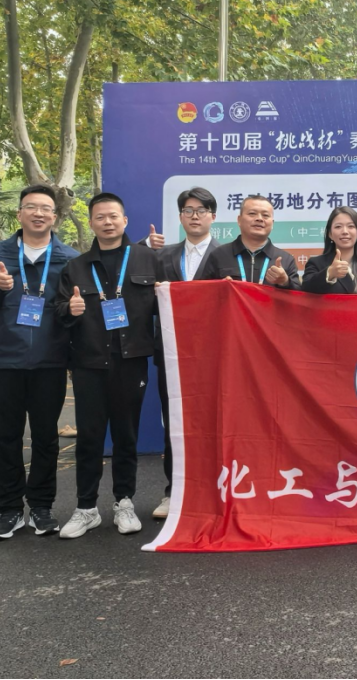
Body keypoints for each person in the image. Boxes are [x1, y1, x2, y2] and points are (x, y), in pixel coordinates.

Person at [0, 184, 79, 541]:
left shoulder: (69, 258)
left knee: (46, 438)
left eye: (45, 208)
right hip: (4, 361)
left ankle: (42, 507)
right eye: (31, 207)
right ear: (19, 214)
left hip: (50, 361)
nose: (38, 213)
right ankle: (9, 510)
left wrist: (73, 310)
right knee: (7, 437)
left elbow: (68, 312)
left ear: (55, 217)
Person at [54, 193, 159, 539]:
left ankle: (124, 503)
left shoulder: (148, 259)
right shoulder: (76, 267)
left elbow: (169, 304)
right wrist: (69, 310)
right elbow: (58, 311)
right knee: (90, 437)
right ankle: (86, 508)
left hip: (131, 361)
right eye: (100, 217)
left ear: (124, 221)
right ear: (91, 223)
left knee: (126, 435)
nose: (108, 222)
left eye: (113, 216)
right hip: (89, 363)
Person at [141, 187, 221, 520]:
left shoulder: (225, 256)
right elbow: (130, 275)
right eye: (188, 210)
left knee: (215, 425)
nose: (195, 216)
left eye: (201, 210)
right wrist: (143, 246)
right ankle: (174, 491)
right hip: (172, 356)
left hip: (215, 356)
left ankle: (214, 491)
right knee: (175, 424)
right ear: (180, 217)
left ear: (213, 216)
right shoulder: (162, 256)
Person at [199, 194, 300, 288]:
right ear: (239, 220)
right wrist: (219, 287)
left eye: (265, 215)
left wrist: (285, 282)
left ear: (272, 223)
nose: (259, 219)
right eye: (252, 213)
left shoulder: (286, 259)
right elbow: (203, 292)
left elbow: (299, 297)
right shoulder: (219, 255)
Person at [303, 206, 357, 294]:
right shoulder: (316, 264)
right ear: (330, 234)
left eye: (351, 226)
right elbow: (305, 290)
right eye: (338, 227)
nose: (345, 231)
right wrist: (329, 273)